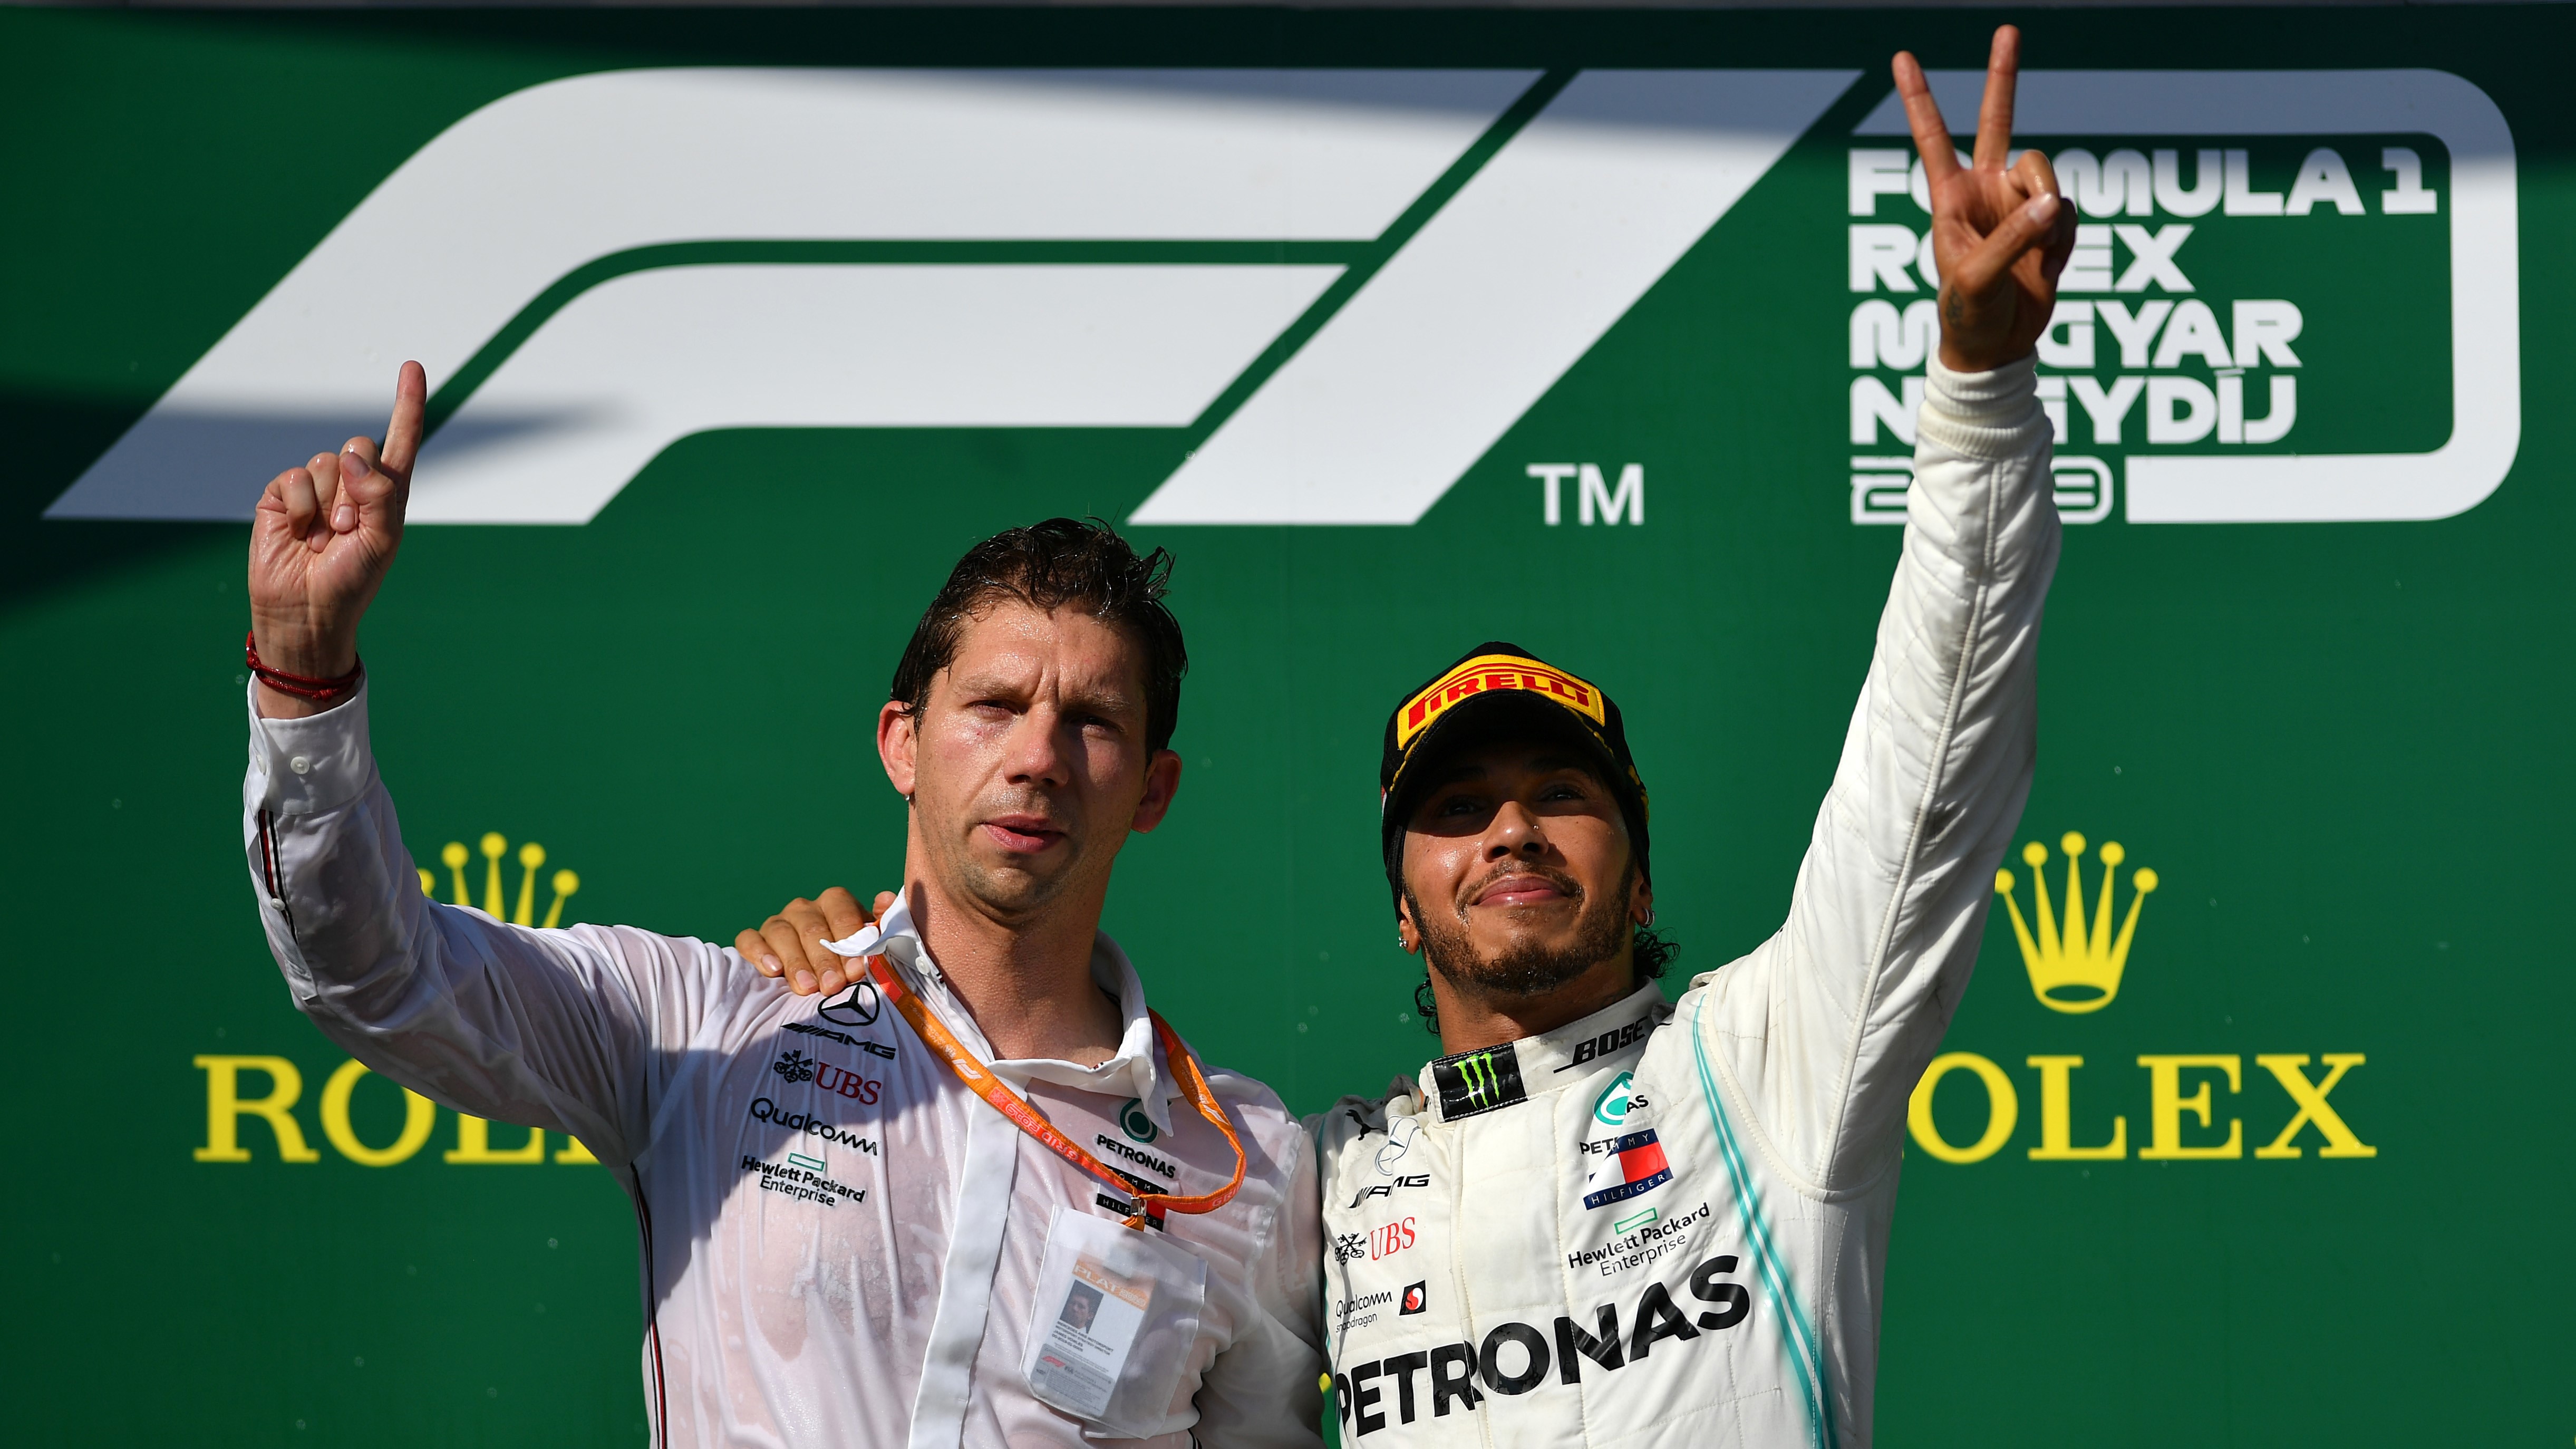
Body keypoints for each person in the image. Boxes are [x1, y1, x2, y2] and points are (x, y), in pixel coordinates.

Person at [744, 28, 2071, 1447]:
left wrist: (1977, 396)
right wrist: (884, 974)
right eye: (1455, 807)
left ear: (1635, 876)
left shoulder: (1766, 1067)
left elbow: (1929, 770)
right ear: (1396, 906)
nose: (1507, 826)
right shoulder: (1318, 1180)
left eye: (1560, 794)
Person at [241, 485, 1325, 1443]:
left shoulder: (1248, 1165)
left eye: (1091, 722)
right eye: (994, 706)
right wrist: (303, 671)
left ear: (1153, 790)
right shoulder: (710, 1022)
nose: (1036, 757)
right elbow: (376, 972)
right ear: (902, 742)